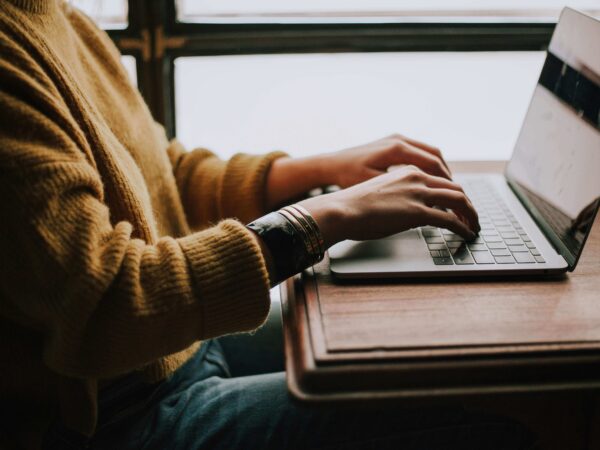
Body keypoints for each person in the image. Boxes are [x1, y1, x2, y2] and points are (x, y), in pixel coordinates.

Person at [0, 1, 536, 449]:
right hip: (116, 415)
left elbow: (161, 175)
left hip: (175, 347)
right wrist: (325, 217)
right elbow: (106, 305)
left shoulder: (54, 13)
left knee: (447, 350)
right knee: (482, 413)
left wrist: (321, 170)